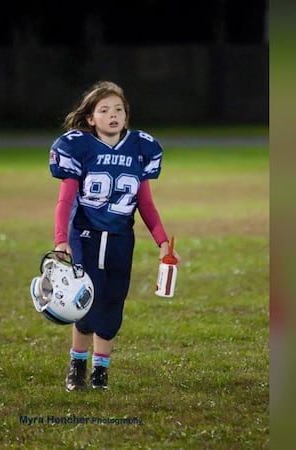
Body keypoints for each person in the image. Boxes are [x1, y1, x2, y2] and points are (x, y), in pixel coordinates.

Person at [47, 81, 180, 390]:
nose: (113, 115)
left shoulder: (140, 149)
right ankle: (77, 365)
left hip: (121, 237)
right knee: (83, 303)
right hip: (86, 235)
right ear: (91, 118)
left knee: (112, 306)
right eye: (104, 110)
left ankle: (101, 372)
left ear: (126, 115)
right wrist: (60, 239)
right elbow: (65, 201)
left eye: (118, 109)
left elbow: (145, 203)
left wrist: (162, 241)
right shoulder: (79, 147)